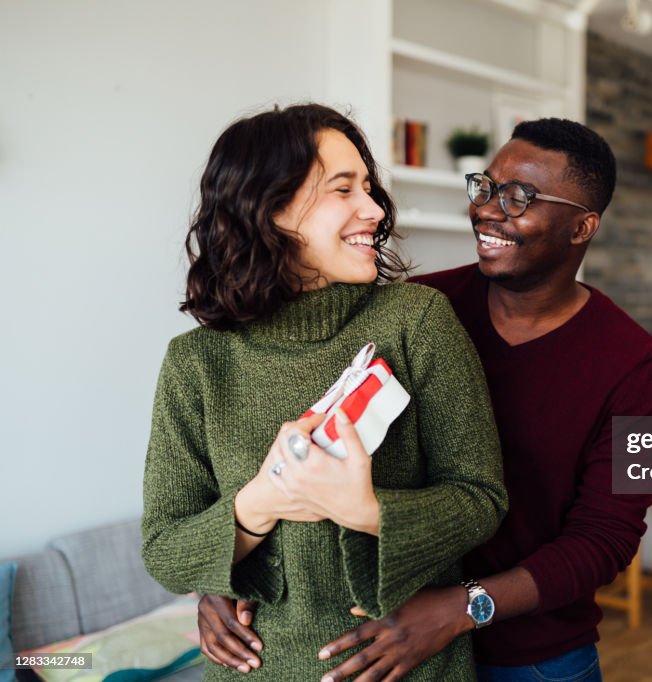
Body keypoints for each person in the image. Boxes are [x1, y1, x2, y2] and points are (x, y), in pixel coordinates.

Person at [197, 118, 652, 681]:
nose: (490, 209)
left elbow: (606, 539)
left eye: (520, 197)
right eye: (486, 186)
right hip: (397, 640)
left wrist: (462, 607)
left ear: (581, 226)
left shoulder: (635, 363)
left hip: (537, 657)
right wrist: (221, 569)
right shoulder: (419, 310)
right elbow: (291, 450)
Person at [141, 103, 507, 681]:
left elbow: (481, 498)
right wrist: (259, 505)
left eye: (368, 186)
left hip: (411, 669)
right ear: (270, 209)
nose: (373, 208)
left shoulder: (417, 323)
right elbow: (164, 550)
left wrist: (366, 511)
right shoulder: (196, 364)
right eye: (343, 189)